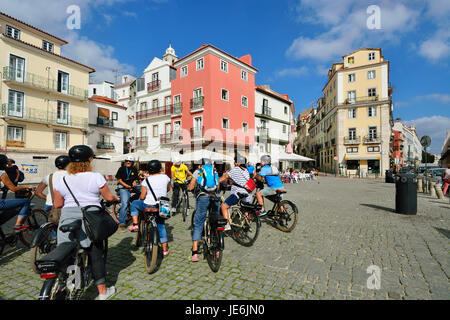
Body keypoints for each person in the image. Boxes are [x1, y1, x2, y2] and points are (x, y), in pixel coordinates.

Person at [53, 145, 119, 300]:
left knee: (68, 251)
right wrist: (115, 199)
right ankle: (102, 293)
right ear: (89, 160)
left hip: (67, 218)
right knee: (95, 252)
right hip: (90, 218)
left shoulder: (63, 179)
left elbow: (57, 204)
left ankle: (70, 282)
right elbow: (109, 198)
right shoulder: (95, 177)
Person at [129, 160, 171, 257]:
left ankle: (135, 224)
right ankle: (165, 249)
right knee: (161, 226)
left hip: (148, 205)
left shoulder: (146, 181)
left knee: (135, 203)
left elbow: (143, 197)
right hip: (162, 206)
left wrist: (141, 198)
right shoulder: (166, 177)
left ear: (149, 170)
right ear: (159, 168)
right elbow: (168, 189)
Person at [187, 158, 220, 262]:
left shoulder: (198, 171)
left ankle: (195, 253)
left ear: (201, 164)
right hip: (215, 197)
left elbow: (191, 186)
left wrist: (190, 188)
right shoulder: (214, 171)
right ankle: (217, 247)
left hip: (203, 197)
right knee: (215, 221)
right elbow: (217, 185)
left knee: (198, 223)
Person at [220, 153, 254, 231]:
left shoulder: (236, 169)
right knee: (244, 208)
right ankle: (247, 224)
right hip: (248, 194)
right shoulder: (246, 170)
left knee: (224, 206)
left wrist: (215, 182)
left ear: (237, 163)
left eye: (234, 162)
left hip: (238, 193)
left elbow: (225, 176)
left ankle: (227, 225)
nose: (234, 163)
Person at [0, 154, 34, 231]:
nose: (6, 165)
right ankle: (18, 226)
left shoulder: (13, 168)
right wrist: (26, 186)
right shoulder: (2, 173)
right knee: (26, 201)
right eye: (5, 163)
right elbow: (13, 189)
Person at [115, 156, 139, 231]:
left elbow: (135, 179)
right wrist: (127, 186)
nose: (128, 162)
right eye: (127, 161)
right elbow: (119, 180)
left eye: (130, 161)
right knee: (124, 204)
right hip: (123, 187)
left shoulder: (134, 169)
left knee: (142, 193)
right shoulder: (121, 169)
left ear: (132, 162)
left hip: (131, 187)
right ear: (125, 162)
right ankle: (121, 222)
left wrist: (134, 183)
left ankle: (131, 202)